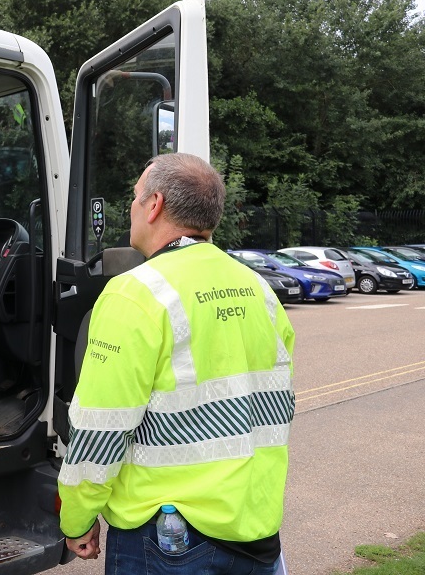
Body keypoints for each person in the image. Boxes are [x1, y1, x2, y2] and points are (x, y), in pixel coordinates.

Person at [58, 153, 296, 573]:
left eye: (135, 197)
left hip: (169, 541)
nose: (131, 208)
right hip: (256, 533)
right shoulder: (258, 289)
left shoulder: (134, 293)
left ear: (154, 205)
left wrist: (77, 518)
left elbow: (101, 427)